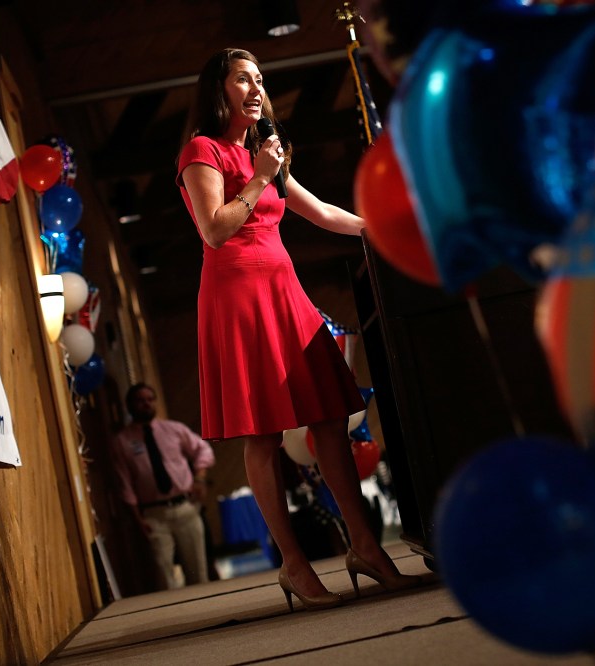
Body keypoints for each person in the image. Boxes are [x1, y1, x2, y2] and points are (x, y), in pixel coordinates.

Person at [176, 47, 420, 611]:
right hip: (238, 299)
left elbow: (321, 212)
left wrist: (383, 230)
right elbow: (214, 230)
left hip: (285, 297)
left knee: (331, 416)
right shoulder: (201, 151)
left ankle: (367, 548)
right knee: (262, 435)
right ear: (220, 90)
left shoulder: (267, 154)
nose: (257, 89)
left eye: (260, 79)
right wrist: (259, 177)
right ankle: (294, 564)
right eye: (244, 79)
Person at [110, 382, 216, 590]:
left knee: (198, 572)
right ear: (130, 405)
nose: (146, 404)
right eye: (140, 401)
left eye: (150, 399)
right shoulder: (122, 441)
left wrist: (200, 479)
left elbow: (203, 450)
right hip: (154, 514)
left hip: (185, 507)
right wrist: (138, 519)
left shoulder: (174, 429)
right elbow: (125, 484)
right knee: (164, 575)